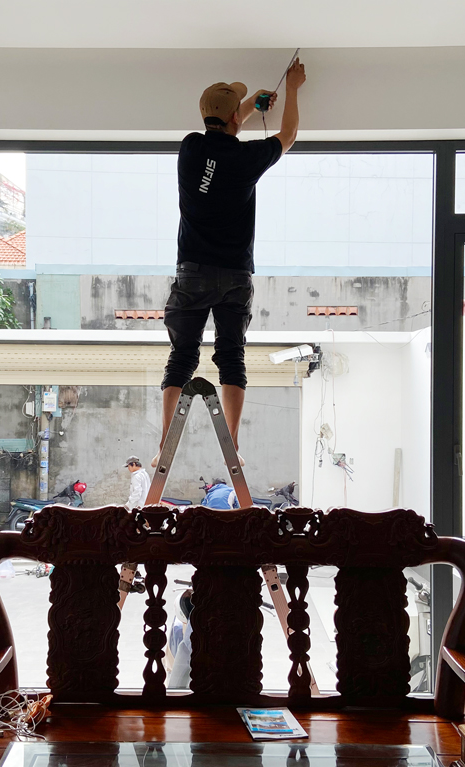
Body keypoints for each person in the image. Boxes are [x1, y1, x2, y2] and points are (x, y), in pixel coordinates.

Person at [155, 59, 307, 468]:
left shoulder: (190, 147)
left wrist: (249, 106)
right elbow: (288, 135)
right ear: (234, 116)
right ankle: (232, 445)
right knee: (231, 355)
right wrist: (293, 87)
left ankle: (165, 443)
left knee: (181, 356)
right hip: (235, 274)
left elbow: (224, 127)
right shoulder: (247, 158)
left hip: (193, 272)